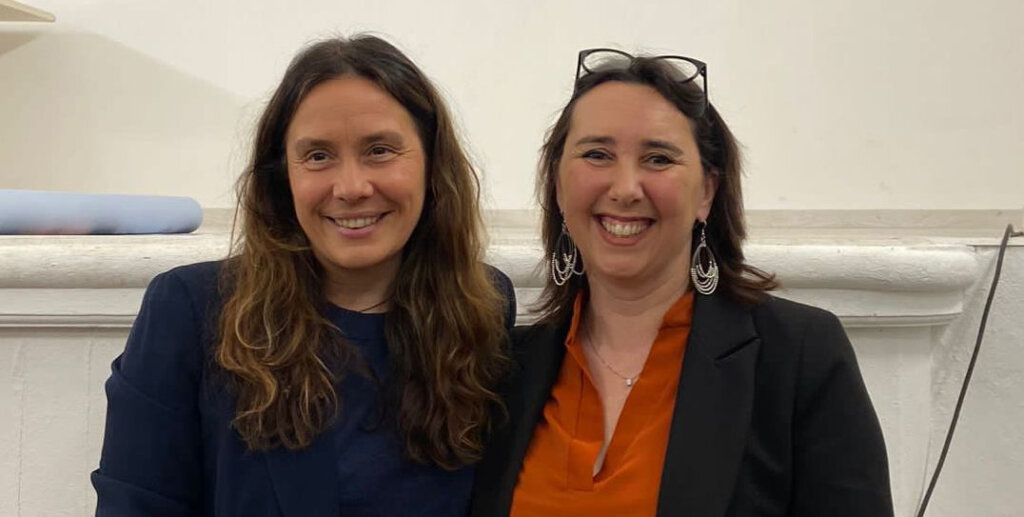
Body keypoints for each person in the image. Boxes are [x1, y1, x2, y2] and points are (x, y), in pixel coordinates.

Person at [92, 35, 515, 517]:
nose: (351, 187)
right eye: (317, 156)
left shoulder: (484, 308)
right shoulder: (190, 310)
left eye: (379, 150)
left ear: (432, 165)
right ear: (282, 176)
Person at [471, 48, 893, 516]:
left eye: (658, 158)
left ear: (707, 192)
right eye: (596, 155)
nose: (625, 188)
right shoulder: (504, 369)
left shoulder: (797, 356)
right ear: (557, 184)